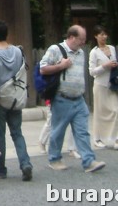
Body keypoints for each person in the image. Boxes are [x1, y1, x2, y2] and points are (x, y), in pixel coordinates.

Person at [40, 25, 106, 173]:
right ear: (71, 37)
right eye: (81, 39)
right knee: (58, 131)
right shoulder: (55, 49)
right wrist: (61, 66)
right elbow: (42, 68)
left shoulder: (81, 53)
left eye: (84, 40)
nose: (83, 42)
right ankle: (54, 159)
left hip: (79, 98)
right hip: (62, 97)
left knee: (82, 131)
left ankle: (89, 161)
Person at [0, 21, 33, 182]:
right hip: (16, 97)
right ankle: (25, 163)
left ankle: (0, 169)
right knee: (17, 133)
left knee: (0, 135)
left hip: (1, 99)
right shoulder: (18, 51)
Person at [88, 25, 118, 151]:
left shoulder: (112, 48)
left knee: (116, 110)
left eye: (105, 34)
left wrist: (115, 65)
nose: (104, 37)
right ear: (95, 36)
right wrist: (105, 66)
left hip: (112, 84)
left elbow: (114, 64)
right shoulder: (94, 52)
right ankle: (97, 138)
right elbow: (92, 72)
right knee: (100, 113)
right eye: (101, 34)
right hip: (100, 85)